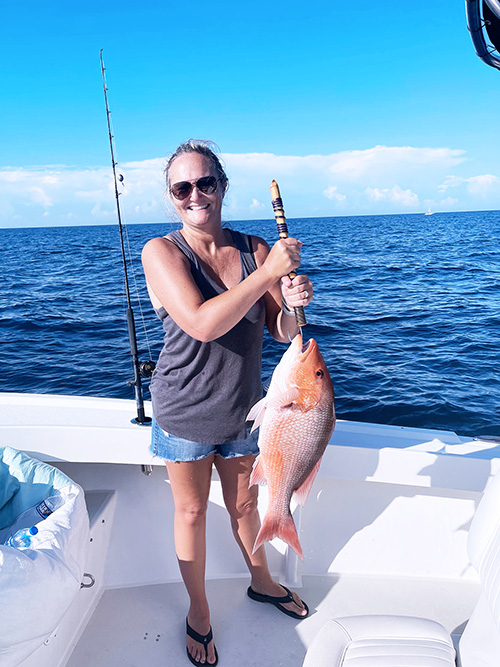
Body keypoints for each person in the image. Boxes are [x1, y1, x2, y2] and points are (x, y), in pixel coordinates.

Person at [141, 139, 313, 666]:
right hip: (185, 413)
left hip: (244, 411)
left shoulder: (256, 248)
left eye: (206, 183)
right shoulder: (163, 252)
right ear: (172, 197)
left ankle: (261, 581)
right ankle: (198, 610)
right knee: (191, 511)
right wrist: (266, 276)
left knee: (244, 507)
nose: (196, 195)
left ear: (223, 186)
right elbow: (201, 323)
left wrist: (294, 304)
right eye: (182, 188)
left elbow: (283, 331)